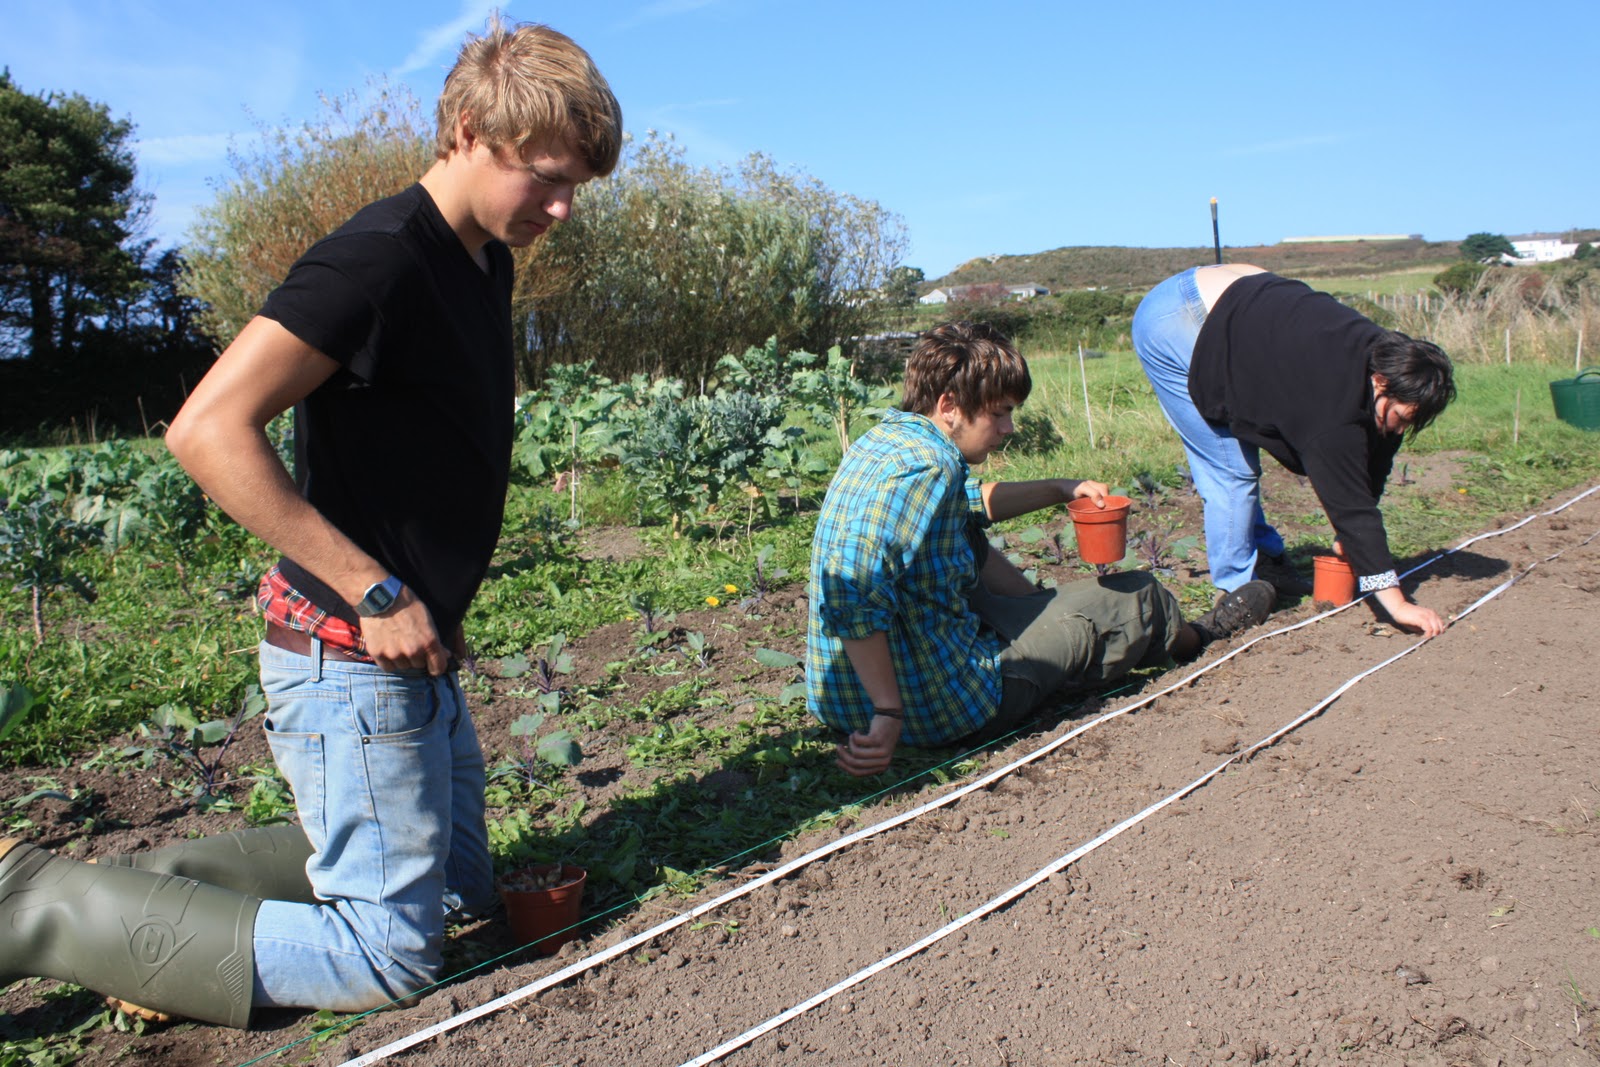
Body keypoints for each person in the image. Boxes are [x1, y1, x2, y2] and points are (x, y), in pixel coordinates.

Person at [0, 19, 621, 1028]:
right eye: (547, 179)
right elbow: (206, 430)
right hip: (347, 648)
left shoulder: (479, 259)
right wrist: (375, 587)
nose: (561, 208)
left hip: (414, 648)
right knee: (391, 956)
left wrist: (431, 599)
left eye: (575, 188)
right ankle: (32, 902)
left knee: (463, 889)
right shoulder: (374, 262)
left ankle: (166, 894)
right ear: (470, 131)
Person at [806, 321, 1276, 777]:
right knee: (1139, 595)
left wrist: (1059, 488)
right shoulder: (932, 466)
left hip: (842, 705)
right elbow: (851, 586)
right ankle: (1203, 637)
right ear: (950, 405)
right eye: (999, 412)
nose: (1008, 427)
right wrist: (887, 712)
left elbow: (966, 504)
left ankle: (1036, 617)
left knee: (962, 535)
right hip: (938, 709)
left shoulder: (886, 441)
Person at [1132, 265, 1456, 637]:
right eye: (1399, 417)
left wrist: (1348, 540)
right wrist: (1396, 604)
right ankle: (1236, 593)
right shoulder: (1333, 409)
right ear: (1380, 382)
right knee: (1231, 469)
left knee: (1242, 458)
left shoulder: (1391, 364)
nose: (1398, 430)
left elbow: (1375, 456)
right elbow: (1352, 509)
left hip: (1239, 306)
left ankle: (1267, 559)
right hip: (1177, 319)